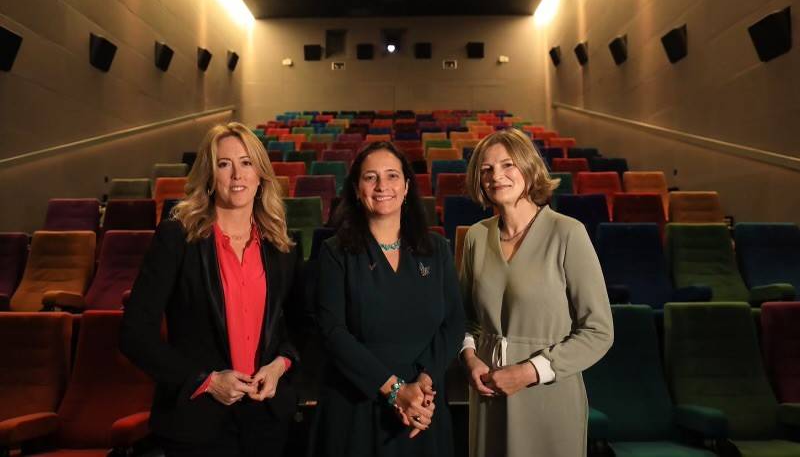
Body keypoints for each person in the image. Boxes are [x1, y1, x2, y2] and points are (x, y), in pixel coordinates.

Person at [120, 122, 303, 457]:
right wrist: (206, 380)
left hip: (266, 419)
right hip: (197, 422)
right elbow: (134, 334)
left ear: (261, 174)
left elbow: (298, 329)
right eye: (224, 164)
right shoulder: (176, 238)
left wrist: (279, 366)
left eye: (247, 163)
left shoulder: (282, 246)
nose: (237, 175)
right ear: (208, 175)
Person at [460, 128, 613, 457]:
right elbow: (466, 319)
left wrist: (529, 372)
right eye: (486, 169)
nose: (496, 176)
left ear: (529, 169)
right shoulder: (474, 236)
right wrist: (470, 359)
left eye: (507, 165)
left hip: (547, 392)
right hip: (488, 393)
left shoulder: (567, 232)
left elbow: (599, 331)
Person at [310, 141, 465, 457]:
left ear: (407, 187)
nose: (382, 186)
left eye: (392, 176)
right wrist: (395, 390)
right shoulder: (334, 252)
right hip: (356, 405)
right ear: (356, 189)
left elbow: (453, 323)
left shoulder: (436, 249)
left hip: (424, 405)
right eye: (370, 177)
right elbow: (332, 332)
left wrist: (423, 383)